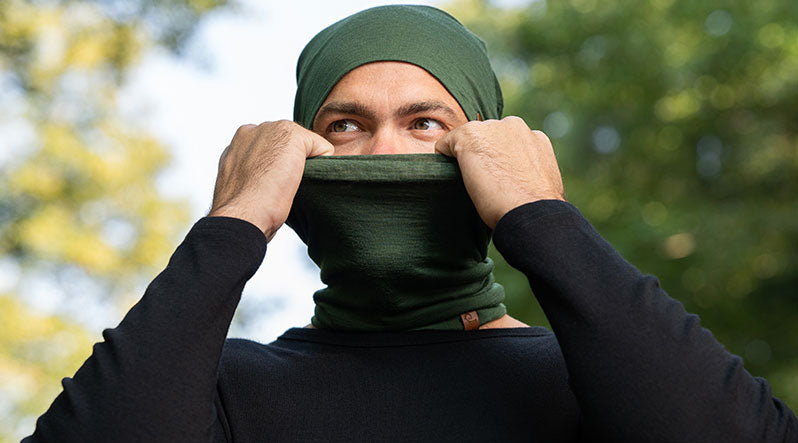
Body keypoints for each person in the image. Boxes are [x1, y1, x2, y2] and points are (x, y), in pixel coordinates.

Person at [25, 5, 796, 442]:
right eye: (347, 126)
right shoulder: (218, 386)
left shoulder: (597, 374)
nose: (384, 151)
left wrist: (542, 221)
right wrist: (232, 226)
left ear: (489, 148)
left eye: (426, 123)